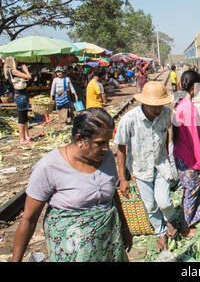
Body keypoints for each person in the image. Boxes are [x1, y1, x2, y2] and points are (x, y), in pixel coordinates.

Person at [11, 108, 133, 262]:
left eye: (108, 141)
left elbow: (112, 195)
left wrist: (124, 227)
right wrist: (16, 259)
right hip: (72, 251)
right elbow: (29, 219)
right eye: (100, 143)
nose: (107, 148)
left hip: (108, 243)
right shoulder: (49, 166)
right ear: (80, 139)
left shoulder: (107, 157)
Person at [114, 81, 178, 251]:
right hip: (140, 168)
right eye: (153, 106)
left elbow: (170, 134)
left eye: (160, 105)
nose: (157, 110)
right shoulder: (130, 119)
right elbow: (121, 148)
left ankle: (171, 219)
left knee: (164, 202)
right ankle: (160, 232)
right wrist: (123, 179)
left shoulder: (166, 113)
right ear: (144, 102)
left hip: (161, 164)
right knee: (150, 205)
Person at [173, 70, 200, 238]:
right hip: (189, 157)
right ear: (193, 86)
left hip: (180, 154)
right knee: (191, 191)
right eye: (199, 85)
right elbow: (195, 141)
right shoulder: (189, 108)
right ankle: (185, 227)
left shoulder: (179, 102)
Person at [3, 56, 32, 146]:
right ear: (12, 63)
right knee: (22, 117)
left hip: (20, 95)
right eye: (15, 61)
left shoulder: (8, 72)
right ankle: (22, 139)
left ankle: (26, 136)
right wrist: (26, 70)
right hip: (21, 96)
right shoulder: (13, 71)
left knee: (25, 117)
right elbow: (29, 76)